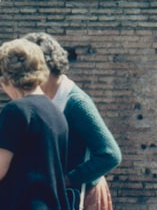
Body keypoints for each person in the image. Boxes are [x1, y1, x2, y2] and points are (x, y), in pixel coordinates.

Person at [0, 38, 72, 210]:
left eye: (0, 82)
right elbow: (34, 158)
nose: (2, 88)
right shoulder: (55, 112)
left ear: (7, 78)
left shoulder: (16, 110)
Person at [19, 32, 121, 210]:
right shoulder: (43, 97)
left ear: (45, 68)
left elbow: (110, 154)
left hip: (81, 194)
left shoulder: (75, 104)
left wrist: (68, 179)